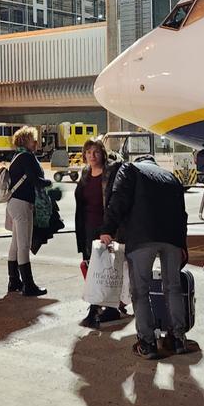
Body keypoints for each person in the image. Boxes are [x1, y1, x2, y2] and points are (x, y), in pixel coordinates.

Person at [98, 154, 192, 360]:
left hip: (142, 238)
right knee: (173, 287)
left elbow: (119, 198)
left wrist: (108, 229)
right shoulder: (171, 177)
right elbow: (182, 214)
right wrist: (182, 245)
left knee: (140, 290)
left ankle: (147, 343)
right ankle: (177, 338)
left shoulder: (130, 169)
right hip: (172, 239)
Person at [75, 137, 126, 327]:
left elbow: (114, 201)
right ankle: (96, 305)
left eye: (95, 152)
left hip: (107, 227)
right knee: (91, 269)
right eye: (88, 152)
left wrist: (110, 229)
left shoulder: (111, 172)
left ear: (102, 153)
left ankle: (109, 307)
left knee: (108, 269)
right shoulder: (85, 173)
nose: (92, 156)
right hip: (88, 226)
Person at [6, 125, 53, 297]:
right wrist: (49, 183)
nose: (36, 141)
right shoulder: (27, 157)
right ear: (26, 141)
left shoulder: (16, 156)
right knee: (24, 245)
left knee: (15, 244)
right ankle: (28, 285)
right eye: (33, 139)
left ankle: (14, 281)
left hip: (13, 203)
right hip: (23, 203)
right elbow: (35, 180)